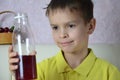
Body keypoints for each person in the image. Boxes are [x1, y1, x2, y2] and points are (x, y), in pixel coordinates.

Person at [8, 0, 120, 80]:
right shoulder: (40, 71)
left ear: (90, 26)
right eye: (55, 27)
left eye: (71, 26)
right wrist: (19, 76)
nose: (62, 35)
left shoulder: (110, 73)